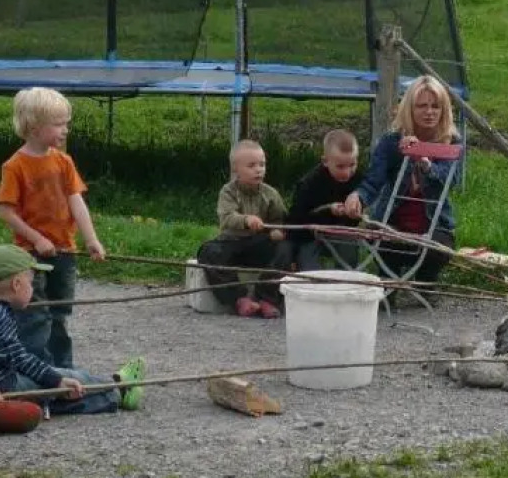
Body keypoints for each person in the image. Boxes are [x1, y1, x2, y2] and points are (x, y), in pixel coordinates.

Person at [0, 245, 144, 414]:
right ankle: (118, 383)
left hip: (1, 376)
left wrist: (54, 379)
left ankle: (115, 394)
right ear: (17, 284)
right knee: (60, 383)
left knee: (58, 383)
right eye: (31, 283)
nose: (33, 289)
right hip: (4, 384)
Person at [0, 87, 107, 367]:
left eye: (66, 123)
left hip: (64, 251)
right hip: (30, 256)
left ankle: (62, 371)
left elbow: (76, 202)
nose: (65, 130)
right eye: (58, 124)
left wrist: (91, 239)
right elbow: (6, 212)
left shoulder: (63, 162)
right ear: (34, 127)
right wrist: (36, 239)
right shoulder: (15, 166)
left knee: (59, 313)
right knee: (35, 315)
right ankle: (35, 368)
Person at [343, 77, 461, 284]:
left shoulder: (451, 143)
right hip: (393, 222)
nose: (429, 112)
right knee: (381, 237)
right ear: (410, 108)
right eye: (422, 106)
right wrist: (358, 196)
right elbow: (373, 181)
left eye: (435, 106)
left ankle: (426, 280)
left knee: (439, 248)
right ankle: (388, 280)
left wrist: (424, 162)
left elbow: (450, 180)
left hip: (433, 225)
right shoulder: (391, 141)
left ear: (444, 110)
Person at [196, 140, 290, 318]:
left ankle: (266, 298)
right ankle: (239, 298)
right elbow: (227, 218)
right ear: (236, 171)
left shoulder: (270, 194)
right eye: (251, 165)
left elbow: (281, 219)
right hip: (232, 242)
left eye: (262, 164)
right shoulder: (228, 192)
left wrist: (277, 231)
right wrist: (246, 220)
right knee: (208, 251)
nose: (258, 169)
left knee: (286, 248)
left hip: (258, 245)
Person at [286, 129, 361, 272]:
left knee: (349, 250)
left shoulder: (357, 179)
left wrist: (353, 212)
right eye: (340, 166)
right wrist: (328, 210)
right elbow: (296, 219)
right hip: (309, 236)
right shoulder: (308, 184)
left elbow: (354, 222)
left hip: (340, 233)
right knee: (309, 271)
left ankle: (345, 286)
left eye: (352, 165)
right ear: (325, 161)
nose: (347, 172)